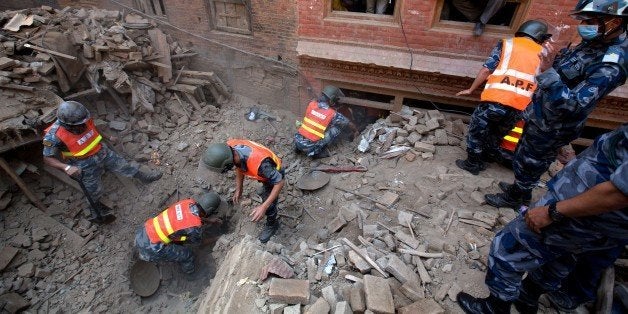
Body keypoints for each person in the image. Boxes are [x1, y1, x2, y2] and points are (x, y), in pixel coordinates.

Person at [456, 123, 628, 314]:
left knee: (508, 247)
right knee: (565, 255)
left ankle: (494, 308)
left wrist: (553, 211)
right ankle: (527, 297)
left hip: (587, 211)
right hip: (611, 224)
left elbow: (618, 194)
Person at [486, 0, 627, 208]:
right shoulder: (594, 42)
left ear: (613, 22)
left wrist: (547, 71)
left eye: (590, 21)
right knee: (524, 155)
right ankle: (518, 187)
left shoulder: (611, 64)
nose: (584, 25)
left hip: (555, 125)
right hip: (541, 114)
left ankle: (518, 197)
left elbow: (575, 105)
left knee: (533, 161)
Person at [455, 20, 550, 175]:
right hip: (519, 106)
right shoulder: (544, 54)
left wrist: (471, 89)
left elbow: (487, 70)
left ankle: (472, 163)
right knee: (497, 134)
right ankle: (485, 159)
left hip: (495, 100)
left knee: (477, 131)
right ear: (539, 36)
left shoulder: (508, 44)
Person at [43, 101, 162, 223]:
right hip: (84, 164)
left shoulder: (84, 118)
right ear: (67, 123)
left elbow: (93, 129)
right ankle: (96, 211)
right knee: (93, 190)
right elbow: (47, 158)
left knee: (124, 166)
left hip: (102, 152)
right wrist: (66, 168)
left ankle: (145, 177)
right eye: (80, 124)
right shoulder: (54, 135)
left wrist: (108, 137)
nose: (83, 124)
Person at [202, 139, 284, 243]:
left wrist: (264, 207)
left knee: (269, 205)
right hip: (264, 171)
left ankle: (272, 225)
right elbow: (238, 165)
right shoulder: (230, 149)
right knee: (265, 189)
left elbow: (280, 182)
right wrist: (239, 188)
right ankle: (265, 187)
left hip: (275, 173)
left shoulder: (261, 165)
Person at [135, 192, 222, 274]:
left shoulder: (187, 202)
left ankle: (144, 252)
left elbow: (190, 215)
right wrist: (218, 238)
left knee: (179, 238)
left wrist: (209, 220)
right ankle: (190, 273)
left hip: (142, 232)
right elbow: (200, 243)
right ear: (209, 210)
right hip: (152, 247)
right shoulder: (194, 227)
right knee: (188, 255)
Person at [294, 85, 358, 158]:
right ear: (332, 100)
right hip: (310, 147)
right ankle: (316, 151)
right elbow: (348, 123)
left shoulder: (311, 104)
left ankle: (299, 148)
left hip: (298, 140)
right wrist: (356, 131)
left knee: (315, 126)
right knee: (337, 128)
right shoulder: (333, 114)